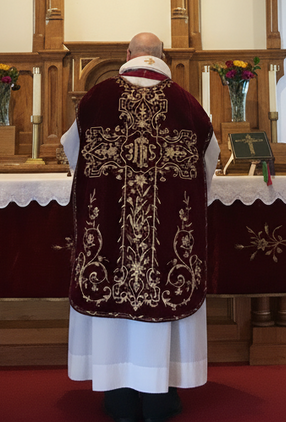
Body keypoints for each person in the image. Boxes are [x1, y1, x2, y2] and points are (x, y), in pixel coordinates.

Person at [61, 32, 219, 422]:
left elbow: (72, 153)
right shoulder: (187, 103)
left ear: (128, 56)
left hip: (109, 241)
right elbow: (209, 164)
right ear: (161, 58)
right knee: (167, 293)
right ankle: (161, 398)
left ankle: (118, 398)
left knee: (109, 294)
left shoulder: (97, 98)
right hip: (168, 242)